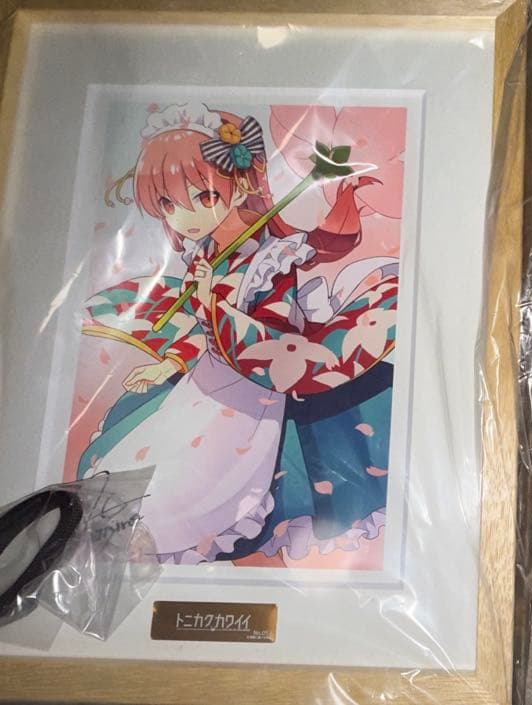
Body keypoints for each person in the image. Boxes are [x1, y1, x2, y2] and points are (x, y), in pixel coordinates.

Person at [80, 103, 397, 565]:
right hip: (204, 378)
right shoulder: (205, 252)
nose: (186, 216)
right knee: (154, 443)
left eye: (204, 196)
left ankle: (161, 531)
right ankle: (124, 527)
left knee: (205, 469)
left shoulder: (273, 257)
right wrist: (169, 362)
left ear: (241, 184)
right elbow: (198, 328)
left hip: (251, 386)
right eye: (169, 204)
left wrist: (215, 301)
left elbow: (272, 337)